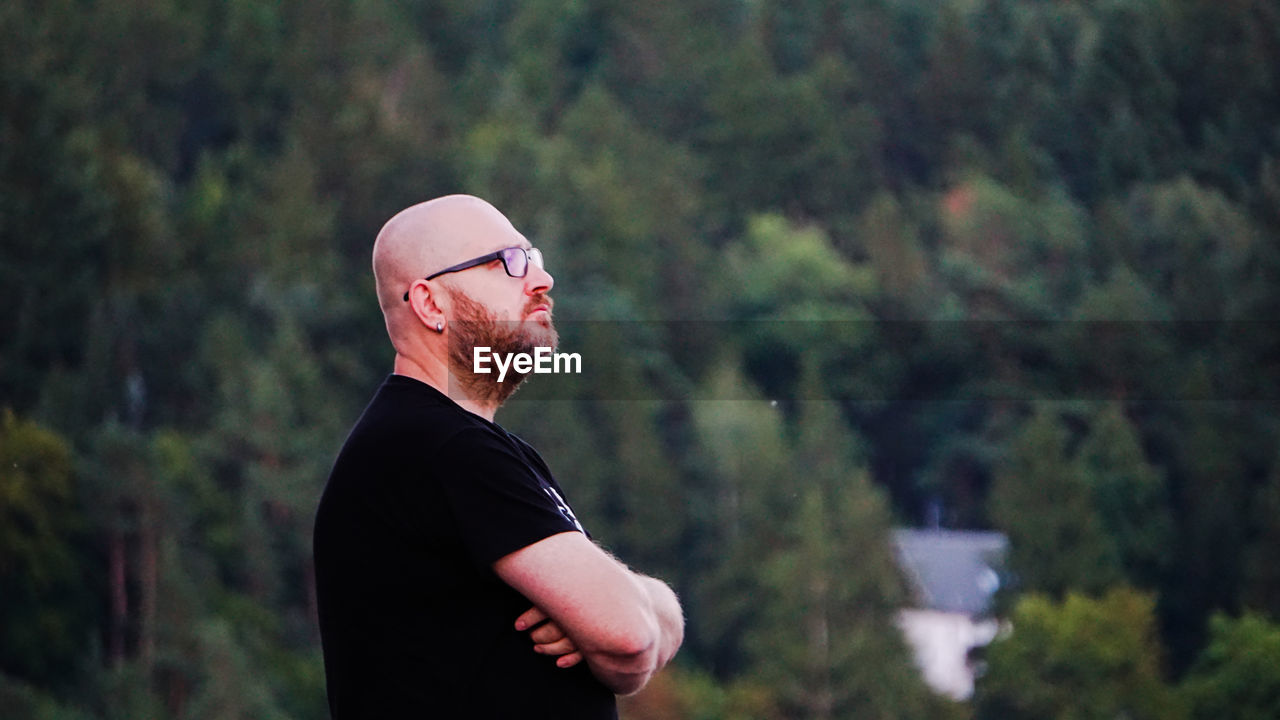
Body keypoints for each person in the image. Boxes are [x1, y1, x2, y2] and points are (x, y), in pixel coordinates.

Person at [313, 195, 683, 718]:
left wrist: (629, 606)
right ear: (429, 304)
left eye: (533, 257)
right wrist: (623, 611)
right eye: (508, 262)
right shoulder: (441, 446)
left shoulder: (444, 442)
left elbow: (638, 628)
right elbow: (630, 640)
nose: (541, 279)